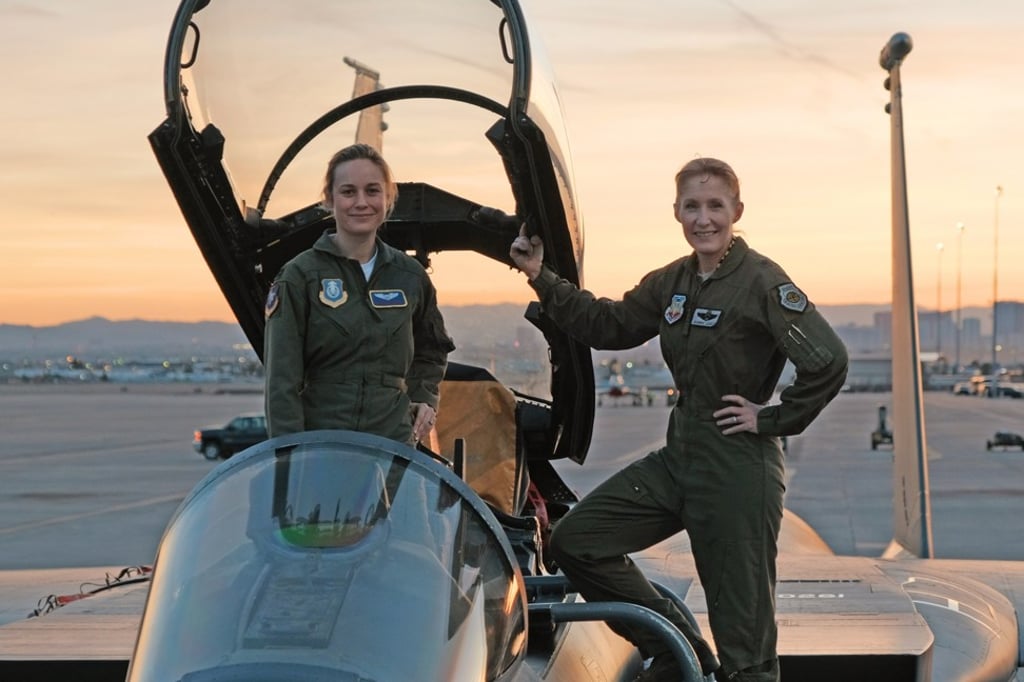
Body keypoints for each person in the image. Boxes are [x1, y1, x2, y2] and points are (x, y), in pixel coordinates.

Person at [509, 157, 848, 681]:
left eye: (716, 206)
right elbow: (610, 323)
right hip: (680, 458)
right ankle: (676, 648)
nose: (704, 218)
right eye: (693, 206)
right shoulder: (676, 280)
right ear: (676, 212)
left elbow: (827, 360)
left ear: (737, 209)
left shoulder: (761, 281)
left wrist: (772, 418)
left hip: (737, 468)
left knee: (746, 638)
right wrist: (541, 277)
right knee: (577, 541)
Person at [264, 143, 455, 446]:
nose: (361, 202)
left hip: (393, 446)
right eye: (349, 192)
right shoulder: (300, 276)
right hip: (323, 446)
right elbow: (281, 383)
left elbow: (433, 348)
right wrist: (291, 461)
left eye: (373, 191)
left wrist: (424, 397)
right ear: (329, 199)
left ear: (388, 197)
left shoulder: (410, 276)